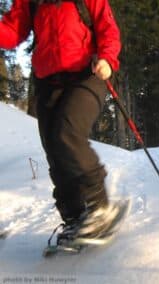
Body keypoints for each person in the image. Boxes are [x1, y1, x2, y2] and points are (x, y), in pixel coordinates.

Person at [0, 0, 122, 245]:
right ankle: (75, 217)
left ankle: (100, 209)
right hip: (48, 82)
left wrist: (108, 58)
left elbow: (107, 27)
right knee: (54, 150)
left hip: (87, 75)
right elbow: (13, 32)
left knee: (67, 134)